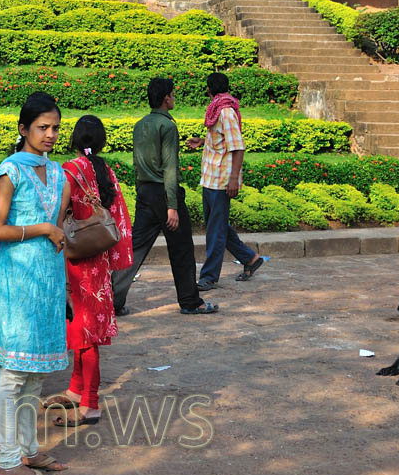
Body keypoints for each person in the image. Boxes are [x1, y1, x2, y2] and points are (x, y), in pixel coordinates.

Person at [0, 92, 71, 475]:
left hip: (46, 281)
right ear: (23, 129)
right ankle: (8, 462)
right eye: (43, 127)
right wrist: (44, 228)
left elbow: (60, 225)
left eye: (55, 128)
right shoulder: (10, 170)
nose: (50, 134)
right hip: (17, 282)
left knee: (35, 374)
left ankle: (28, 449)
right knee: (14, 374)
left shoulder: (58, 173)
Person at [45, 115, 134, 426]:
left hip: (76, 259)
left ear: (74, 138)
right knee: (85, 330)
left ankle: (90, 404)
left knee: (85, 334)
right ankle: (75, 390)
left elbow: (58, 214)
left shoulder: (70, 170)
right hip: (98, 260)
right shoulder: (105, 170)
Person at [110, 77, 215, 316]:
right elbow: (170, 167)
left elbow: (138, 164)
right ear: (166, 98)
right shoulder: (167, 126)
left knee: (136, 248)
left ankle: (113, 300)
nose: (174, 98)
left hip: (145, 192)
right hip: (165, 194)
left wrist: (142, 192)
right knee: (181, 249)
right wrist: (172, 205)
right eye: (173, 94)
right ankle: (190, 301)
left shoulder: (140, 125)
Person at [190, 72, 265, 289]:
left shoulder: (225, 112)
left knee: (215, 230)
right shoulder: (217, 109)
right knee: (217, 226)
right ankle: (250, 258)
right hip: (211, 178)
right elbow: (222, 140)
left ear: (209, 89)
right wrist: (203, 141)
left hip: (221, 181)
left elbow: (238, 147)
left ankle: (209, 276)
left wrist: (233, 179)